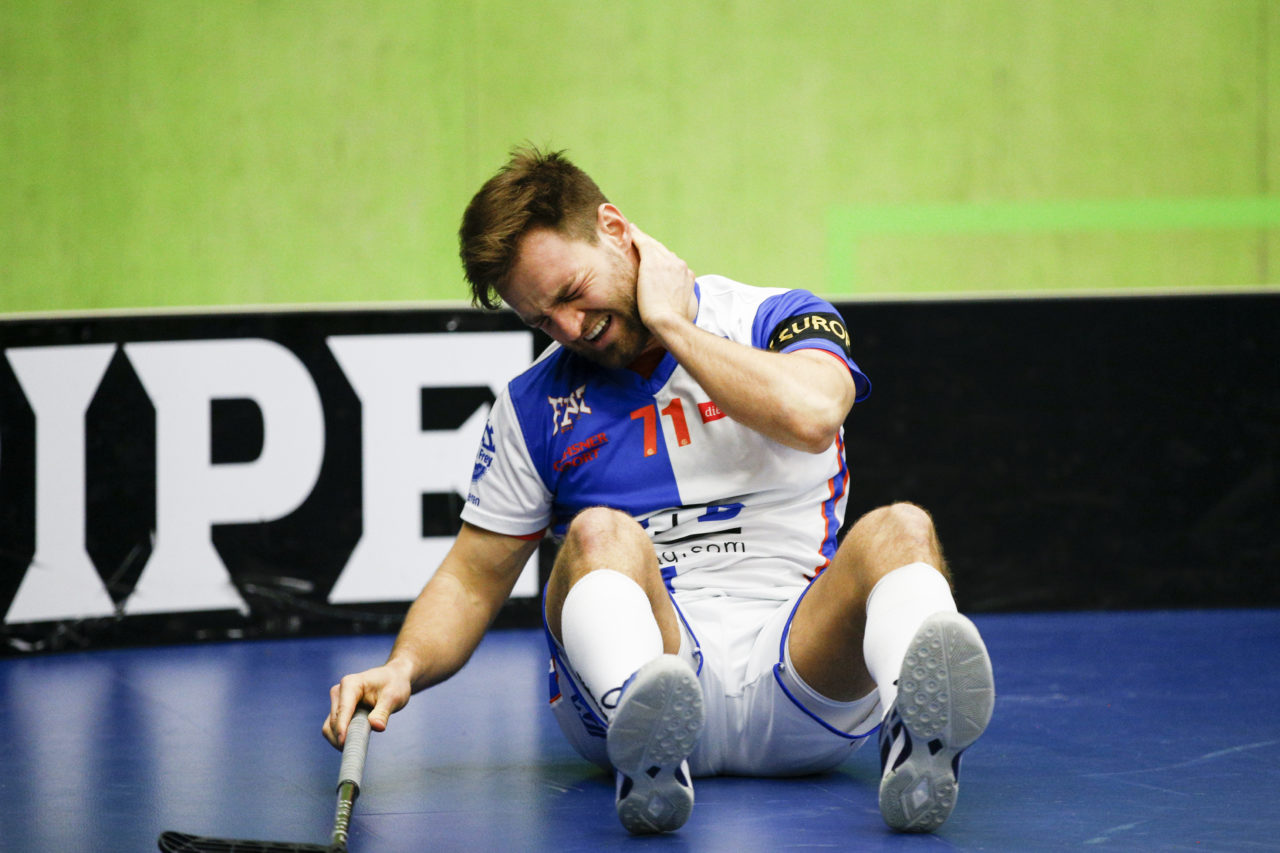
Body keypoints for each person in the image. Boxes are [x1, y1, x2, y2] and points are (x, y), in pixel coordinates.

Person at [323, 147, 995, 836]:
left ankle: (918, 744)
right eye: (540, 319)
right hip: (652, 664)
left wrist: (673, 324)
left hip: (803, 676)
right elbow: (472, 577)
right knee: (598, 533)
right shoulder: (533, 406)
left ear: (615, 229)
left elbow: (814, 414)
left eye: (571, 291)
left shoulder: (777, 317)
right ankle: (648, 748)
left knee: (902, 530)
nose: (570, 328)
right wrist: (403, 665)